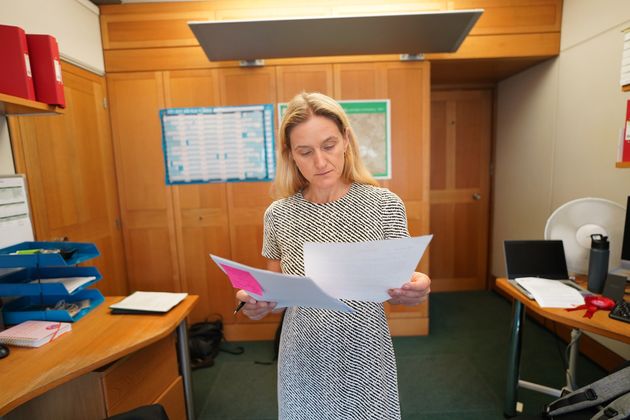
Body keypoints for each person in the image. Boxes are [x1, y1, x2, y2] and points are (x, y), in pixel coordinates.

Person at [235, 92, 431, 420]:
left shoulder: (384, 205)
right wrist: (258, 303)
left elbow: (403, 288)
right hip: (303, 352)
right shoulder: (278, 214)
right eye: (305, 152)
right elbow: (276, 295)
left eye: (328, 145)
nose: (321, 162)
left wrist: (417, 288)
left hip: (366, 350)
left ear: (346, 140)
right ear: (290, 155)